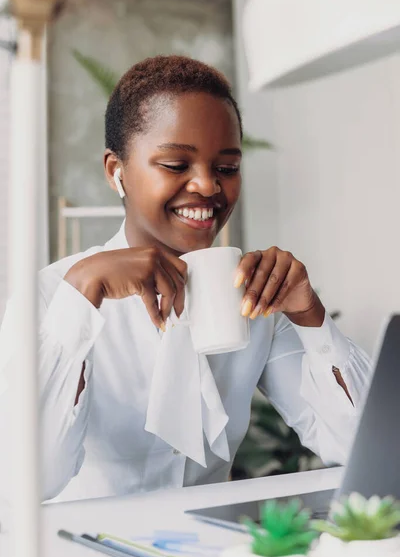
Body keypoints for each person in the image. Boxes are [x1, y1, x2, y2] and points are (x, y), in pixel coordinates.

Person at [0, 55, 370, 503]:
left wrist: (311, 318)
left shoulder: (254, 297)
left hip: (207, 555)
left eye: (227, 168)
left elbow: (360, 449)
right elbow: (21, 483)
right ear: (117, 171)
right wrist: (79, 299)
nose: (208, 186)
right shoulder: (49, 296)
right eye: (176, 165)